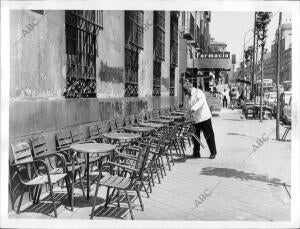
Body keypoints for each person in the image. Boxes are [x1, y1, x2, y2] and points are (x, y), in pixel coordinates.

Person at [183, 81, 217, 159]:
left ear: (190, 87)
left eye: (185, 90)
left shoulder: (198, 92)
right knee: (195, 136)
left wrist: (193, 109)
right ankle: (196, 152)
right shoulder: (189, 96)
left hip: (204, 117)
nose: (185, 92)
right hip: (195, 119)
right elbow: (189, 108)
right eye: (184, 90)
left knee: (208, 135)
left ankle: (213, 152)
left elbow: (201, 102)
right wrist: (186, 117)